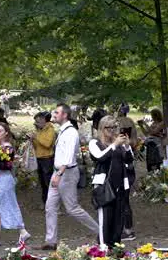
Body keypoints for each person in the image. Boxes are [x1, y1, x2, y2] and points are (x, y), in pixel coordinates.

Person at [41, 104, 98, 250]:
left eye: (57, 112)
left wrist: (59, 174)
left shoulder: (71, 132)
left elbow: (68, 156)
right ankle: (50, 241)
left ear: (65, 115)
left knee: (72, 208)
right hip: (58, 171)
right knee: (50, 206)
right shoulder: (62, 131)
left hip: (66, 173)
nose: (53, 114)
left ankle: (101, 231)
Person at [89, 116, 136, 248]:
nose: (112, 130)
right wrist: (114, 145)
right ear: (102, 129)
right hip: (104, 185)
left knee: (118, 218)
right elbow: (100, 157)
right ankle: (103, 247)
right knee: (105, 218)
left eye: (115, 127)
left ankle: (116, 247)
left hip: (120, 185)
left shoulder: (119, 144)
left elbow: (129, 160)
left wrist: (126, 146)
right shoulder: (95, 143)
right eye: (109, 128)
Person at [0, 120, 30, 247]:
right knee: (4, 205)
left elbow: (6, 166)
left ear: (6, 133)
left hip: (4, 179)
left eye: (0, 131)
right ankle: (22, 230)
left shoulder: (8, 147)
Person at [31, 112, 56, 205]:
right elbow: (37, 146)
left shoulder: (50, 129)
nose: (36, 124)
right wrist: (32, 139)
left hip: (47, 159)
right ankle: (45, 202)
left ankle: (52, 204)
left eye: (37, 122)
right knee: (42, 182)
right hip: (39, 158)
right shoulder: (39, 130)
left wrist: (36, 137)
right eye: (35, 122)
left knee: (48, 182)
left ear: (43, 120)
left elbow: (47, 144)